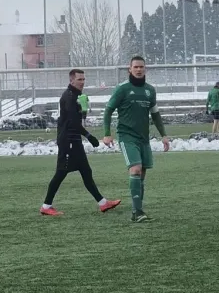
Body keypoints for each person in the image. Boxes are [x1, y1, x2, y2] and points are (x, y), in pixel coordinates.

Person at [40, 69, 121, 216]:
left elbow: (78, 119)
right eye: (79, 79)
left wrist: (83, 110)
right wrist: (89, 136)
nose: (82, 82)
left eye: (84, 79)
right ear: (72, 81)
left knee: (86, 172)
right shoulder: (69, 96)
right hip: (68, 141)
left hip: (74, 140)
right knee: (61, 172)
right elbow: (72, 122)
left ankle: (103, 203)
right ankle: (46, 206)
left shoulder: (78, 96)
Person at [103, 56, 170, 223]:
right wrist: (107, 133)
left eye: (141, 67)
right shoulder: (122, 89)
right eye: (136, 67)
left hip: (143, 138)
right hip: (127, 136)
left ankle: (137, 211)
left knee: (142, 174)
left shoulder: (150, 90)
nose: (139, 69)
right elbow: (108, 111)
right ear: (129, 69)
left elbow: (155, 114)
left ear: (145, 69)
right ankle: (138, 212)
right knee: (135, 169)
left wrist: (164, 135)